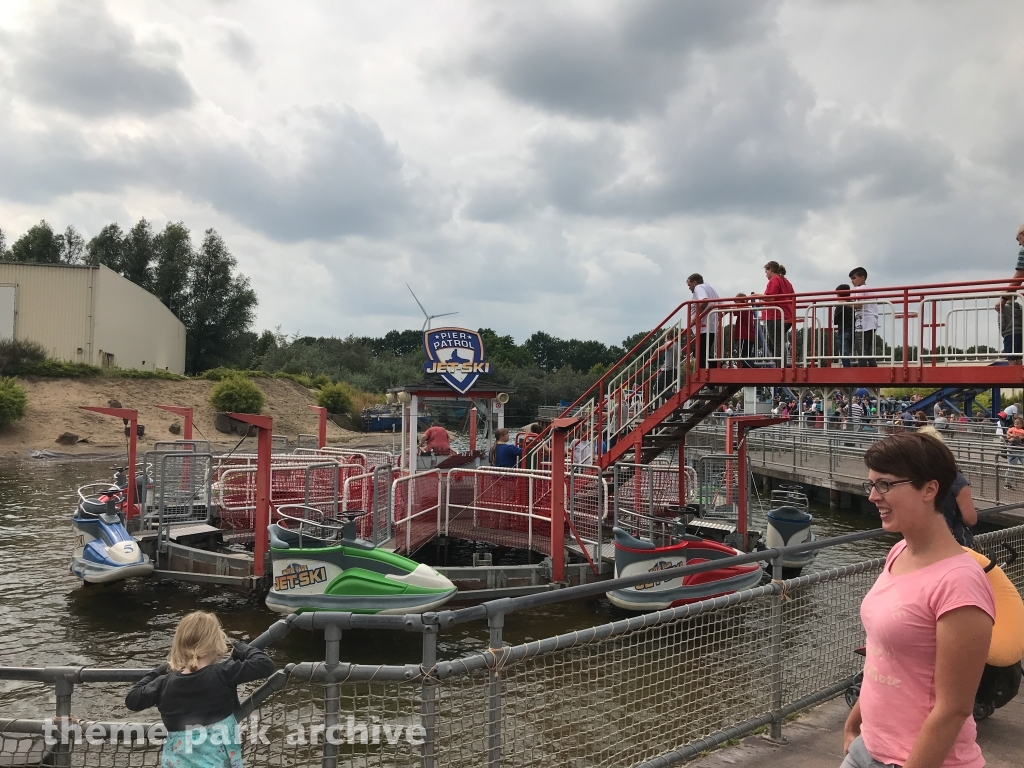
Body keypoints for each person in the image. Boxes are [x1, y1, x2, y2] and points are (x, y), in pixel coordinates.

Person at [842, 433, 995, 768]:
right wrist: (854, 724)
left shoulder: (960, 583)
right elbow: (884, 657)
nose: (872, 496)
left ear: (929, 489)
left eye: (884, 485)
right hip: (868, 748)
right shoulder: (898, 553)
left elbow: (954, 708)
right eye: (870, 484)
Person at [126, 611, 275, 768]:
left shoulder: (164, 683)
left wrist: (161, 670)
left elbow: (132, 699)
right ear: (216, 643)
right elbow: (265, 664)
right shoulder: (223, 673)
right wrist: (241, 648)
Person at [919, 425, 977, 545]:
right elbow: (970, 519)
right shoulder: (955, 478)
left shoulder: (911, 477)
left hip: (921, 540)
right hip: (953, 541)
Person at [759, 261, 794, 366]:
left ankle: (780, 367)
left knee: (776, 343)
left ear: (771, 270)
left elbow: (770, 298)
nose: (766, 275)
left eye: (766, 271)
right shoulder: (786, 281)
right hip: (786, 316)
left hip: (775, 316)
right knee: (773, 342)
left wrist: (757, 296)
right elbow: (792, 297)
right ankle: (779, 363)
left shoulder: (774, 280)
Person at [686, 273, 721, 368]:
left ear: (695, 282)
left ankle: (721, 366)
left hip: (703, 328)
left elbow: (705, 300)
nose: (689, 288)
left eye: (689, 285)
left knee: (700, 356)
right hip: (711, 327)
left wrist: (695, 317)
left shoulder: (699, 288)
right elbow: (721, 305)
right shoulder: (710, 288)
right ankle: (721, 366)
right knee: (700, 354)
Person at [848, 267, 878, 367]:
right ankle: (873, 369)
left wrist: (844, 303)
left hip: (863, 322)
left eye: (854, 278)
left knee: (860, 348)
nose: (852, 281)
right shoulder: (870, 289)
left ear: (862, 278)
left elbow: (859, 305)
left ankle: (863, 370)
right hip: (871, 321)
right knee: (868, 349)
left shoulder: (860, 288)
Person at [996, 293, 1023, 364]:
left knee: (1011, 357)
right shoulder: (1020, 307)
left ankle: (1013, 373)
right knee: (1019, 357)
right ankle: (1019, 373)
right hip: (1020, 333)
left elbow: (1001, 322)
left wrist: (1003, 332)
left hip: (1009, 333)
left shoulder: (1002, 307)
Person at [834, 284, 855, 368]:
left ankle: (847, 368)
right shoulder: (854, 304)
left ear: (838, 295)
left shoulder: (840, 305)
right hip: (853, 330)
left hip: (843, 331)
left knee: (844, 351)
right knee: (849, 350)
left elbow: (835, 321)